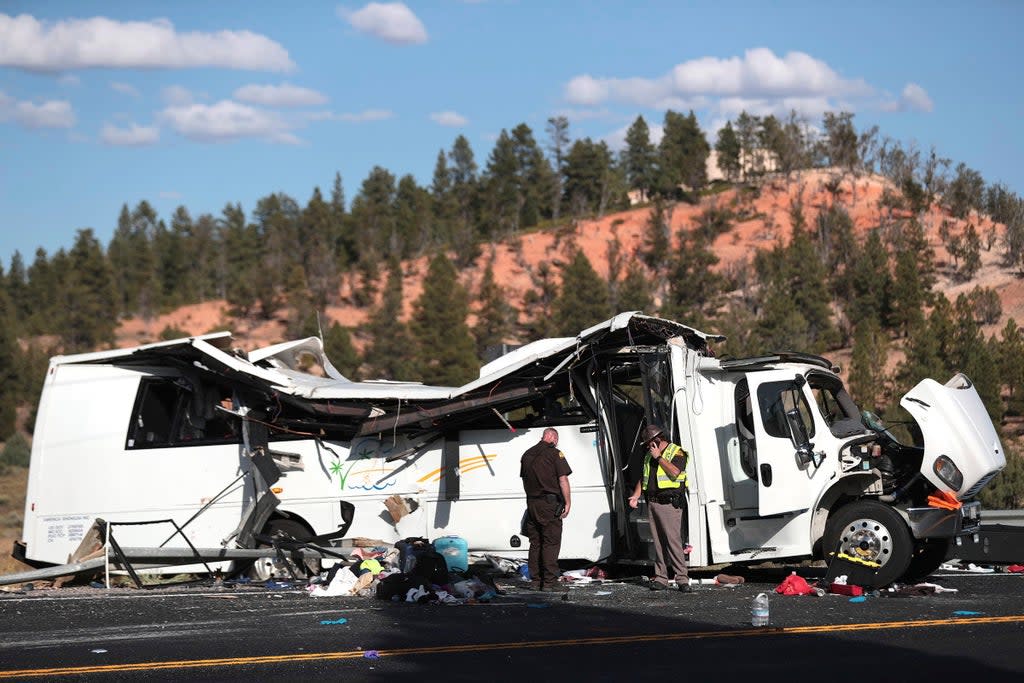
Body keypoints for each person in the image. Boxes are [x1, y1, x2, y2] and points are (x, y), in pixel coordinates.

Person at [628, 424, 692, 593]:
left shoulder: (676, 452)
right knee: (658, 543)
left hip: (669, 503)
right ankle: (661, 578)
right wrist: (636, 495)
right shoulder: (649, 456)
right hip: (653, 503)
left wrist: (659, 458)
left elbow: (675, 472)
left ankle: (682, 579)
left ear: (656, 440)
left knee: (673, 542)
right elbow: (644, 478)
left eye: (649, 443)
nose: (648, 447)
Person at [520, 427, 572, 591]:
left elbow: (524, 480)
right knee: (551, 542)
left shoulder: (526, 454)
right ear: (554, 439)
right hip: (549, 504)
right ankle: (549, 582)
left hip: (532, 503)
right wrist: (568, 502)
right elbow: (563, 480)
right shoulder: (554, 453)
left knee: (535, 542)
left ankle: (535, 581)